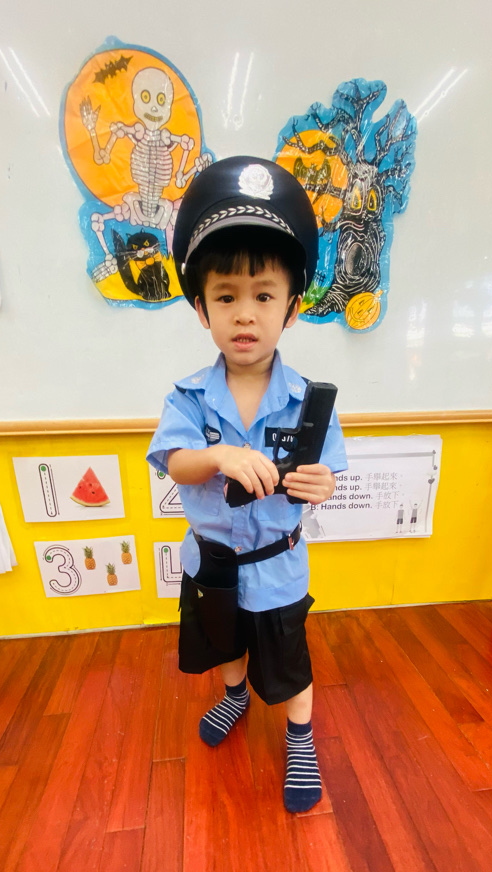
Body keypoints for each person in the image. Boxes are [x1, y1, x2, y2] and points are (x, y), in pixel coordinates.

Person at [146, 156, 347, 812]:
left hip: (278, 568)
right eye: (226, 296)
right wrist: (220, 455)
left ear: (292, 309)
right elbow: (175, 462)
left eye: (263, 295)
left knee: (287, 663)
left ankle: (299, 736)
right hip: (211, 563)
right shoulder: (188, 397)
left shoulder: (310, 402)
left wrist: (319, 485)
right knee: (224, 644)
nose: (244, 314)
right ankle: (234, 697)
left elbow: (326, 475)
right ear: (200, 308)